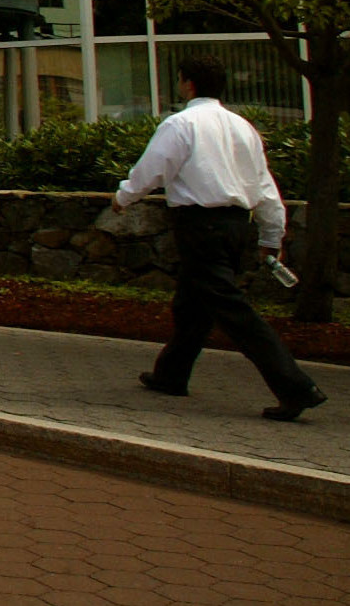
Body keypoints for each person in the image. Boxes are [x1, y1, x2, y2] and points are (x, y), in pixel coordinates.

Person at [113, 56, 328, 422]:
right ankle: (171, 374)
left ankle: (296, 387)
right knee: (192, 304)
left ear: (188, 84)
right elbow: (264, 186)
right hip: (235, 226)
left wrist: (123, 197)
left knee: (232, 310)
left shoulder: (181, 124)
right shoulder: (243, 128)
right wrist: (271, 235)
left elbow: (154, 169)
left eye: (180, 80)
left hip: (200, 224)